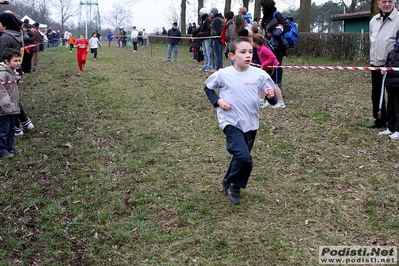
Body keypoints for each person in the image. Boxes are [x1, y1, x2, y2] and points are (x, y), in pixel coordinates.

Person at [203, 37, 276, 205]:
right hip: (230, 122)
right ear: (232, 55)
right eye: (242, 52)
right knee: (244, 157)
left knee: (241, 156)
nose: (248, 55)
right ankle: (234, 186)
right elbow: (208, 87)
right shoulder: (223, 74)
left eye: (250, 51)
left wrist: (271, 97)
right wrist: (218, 101)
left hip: (250, 123)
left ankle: (228, 179)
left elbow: (272, 98)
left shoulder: (259, 74)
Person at [367, 0, 399, 129]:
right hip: (376, 63)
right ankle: (380, 119)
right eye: (384, 1)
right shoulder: (373, 21)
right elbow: (372, 40)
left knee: (394, 96)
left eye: (390, 1)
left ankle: (394, 123)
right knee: (376, 93)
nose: (387, 4)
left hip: (393, 65)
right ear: (379, 3)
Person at [260, 0, 290, 92]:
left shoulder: (277, 15)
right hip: (268, 46)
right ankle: (270, 88)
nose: (261, 8)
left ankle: (278, 89)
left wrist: (274, 34)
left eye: (262, 6)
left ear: (266, 6)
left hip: (278, 47)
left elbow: (286, 27)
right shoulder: (265, 16)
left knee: (277, 67)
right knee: (268, 67)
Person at [252, 33, 285, 109]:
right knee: (266, 84)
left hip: (274, 68)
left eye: (252, 41)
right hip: (268, 69)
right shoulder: (258, 49)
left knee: (274, 85)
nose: (251, 43)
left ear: (255, 42)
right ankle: (268, 101)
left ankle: (281, 102)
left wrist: (263, 65)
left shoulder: (263, 49)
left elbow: (272, 57)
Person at [0, 48, 22, 158]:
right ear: (7, 61)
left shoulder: (12, 72)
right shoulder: (2, 73)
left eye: (19, 60)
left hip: (13, 107)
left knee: (11, 128)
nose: (18, 63)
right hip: (3, 109)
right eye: (15, 61)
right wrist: (6, 105)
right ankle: (2, 149)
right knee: (3, 129)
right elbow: (1, 92)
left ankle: (10, 146)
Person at [379, 30, 399, 139]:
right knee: (390, 107)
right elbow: (387, 64)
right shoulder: (391, 52)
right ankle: (390, 127)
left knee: (398, 109)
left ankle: (398, 129)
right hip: (390, 84)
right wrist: (384, 69)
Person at [197, 7, 212, 72]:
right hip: (203, 38)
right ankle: (205, 65)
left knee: (208, 52)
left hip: (207, 38)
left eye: (200, 12)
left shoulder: (207, 20)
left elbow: (208, 30)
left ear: (203, 12)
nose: (199, 13)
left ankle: (209, 66)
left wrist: (202, 34)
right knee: (205, 52)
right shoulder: (203, 20)